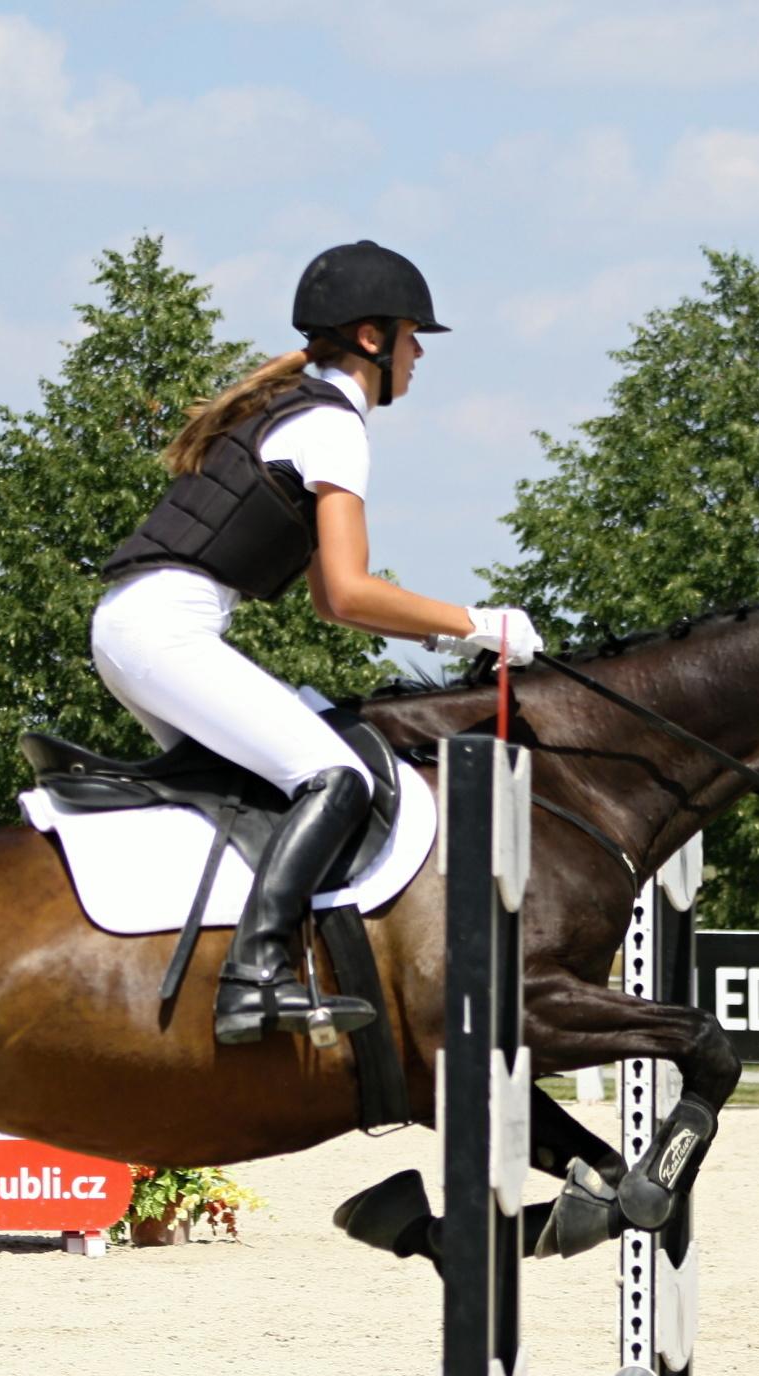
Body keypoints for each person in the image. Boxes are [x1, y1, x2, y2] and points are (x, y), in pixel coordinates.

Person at [93, 240, 544, 1046]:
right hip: (163, 630)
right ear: (372, 338)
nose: (418, 356)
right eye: (412, 338)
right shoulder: (332, 427)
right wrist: (476, 622)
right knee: (337, 776)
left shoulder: (301, 408)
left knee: (260, 791)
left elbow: (334, 604)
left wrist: (449, 634)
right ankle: (253, 978)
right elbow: (349, 591)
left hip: (142, 627)